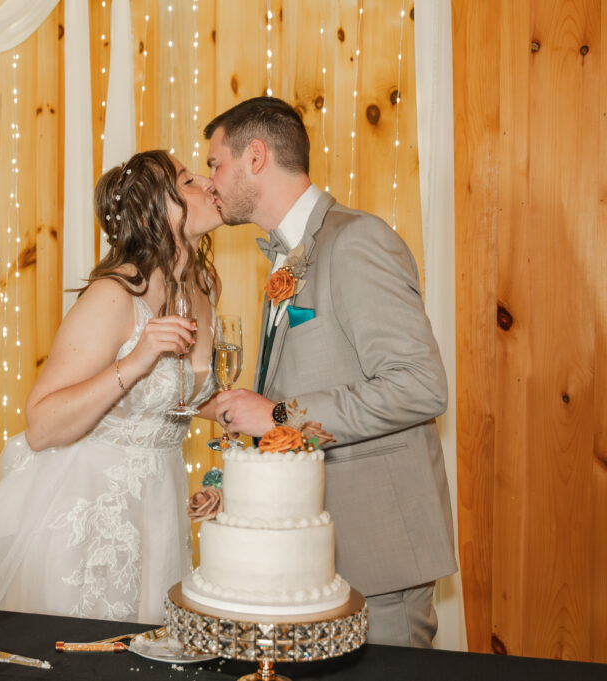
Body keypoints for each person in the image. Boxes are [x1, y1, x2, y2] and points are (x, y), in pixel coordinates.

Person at [204, 97, 457, 647]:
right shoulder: (287, 256)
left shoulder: (357, 241)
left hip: (378, 552)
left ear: (255, 156)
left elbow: (420, 385)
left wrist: (274, 414)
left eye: (215, 164)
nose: (210, 182)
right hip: (314, 552)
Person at [0, 150, 222, 623]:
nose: (206, 183)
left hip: (160, 508)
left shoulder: (203, 285)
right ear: (158, 210)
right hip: (90, 519)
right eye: (187, 180)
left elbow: (181, 396)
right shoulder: (114, 296)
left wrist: (229, 464)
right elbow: (41, 425)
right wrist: (136, 361)